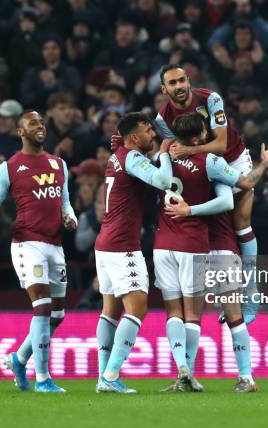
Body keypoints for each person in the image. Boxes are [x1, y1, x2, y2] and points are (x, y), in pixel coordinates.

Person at [156, 112, 268, 393]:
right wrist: (265, 164)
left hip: (182, 244)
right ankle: (246, 377)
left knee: (187, 315)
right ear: (199, 137)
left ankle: (187, 376)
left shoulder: (165, 161)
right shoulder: (213, 163)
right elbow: (239, 189)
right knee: (233, 315)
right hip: (217, 242)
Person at [0, 110, 77, 393]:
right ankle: (43, 378)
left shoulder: (59, 164)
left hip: (55, 245)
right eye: (33, 123)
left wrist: (70, 216)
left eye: (41, 123)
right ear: (20, 132)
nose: (40, 127)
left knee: (57, 315)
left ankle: (18, 359)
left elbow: (64, 201)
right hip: (27, 243)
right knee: (41, 305)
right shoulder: (10, 167)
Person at [152, 64, 260, 329]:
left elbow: (221, 144)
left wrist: (186, 151)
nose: (179, 87)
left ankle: (252, 294)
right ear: (164, 89)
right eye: (172, 83)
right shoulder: (162, 119)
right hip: (201, 165)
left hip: (231, 160)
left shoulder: (211, 99)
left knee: (240, 223)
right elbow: (170, 150)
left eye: (182, 81)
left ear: (188, 80)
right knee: (203, 226)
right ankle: (223, 296)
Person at [94, 112, 173, 394]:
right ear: (134, 137)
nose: (154, 134)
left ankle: (104, 376)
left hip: (105, 243)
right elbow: (163, 181)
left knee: (110, 311)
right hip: (122, 245)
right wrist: (164, 154)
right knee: (138, 307)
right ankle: (111, 375)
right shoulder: (132, 157)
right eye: (149, 130)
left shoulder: (119, 155)